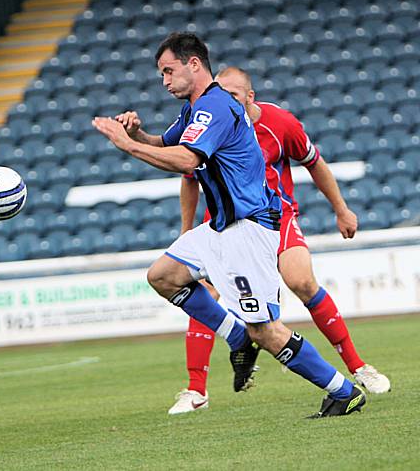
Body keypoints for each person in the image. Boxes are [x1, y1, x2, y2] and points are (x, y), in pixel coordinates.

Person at [92, 32, 366, 418]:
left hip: (247, 229)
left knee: (266, 332)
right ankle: (235, 335)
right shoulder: (195, 109)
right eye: (161, 75)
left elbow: (187, 161)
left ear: (193, 64)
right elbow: (164, 142)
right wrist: (137, 133)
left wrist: (127, 145)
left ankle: (342, 391)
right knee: (163, 276)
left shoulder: (216, 106)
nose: (164, 81)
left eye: (168, 71)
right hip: (220, 227)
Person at [167, 66, 390, 415]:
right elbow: (189, 177)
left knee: (301, 281)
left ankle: (357, 366)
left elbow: (314, 162)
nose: (227, 101)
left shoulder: (279, 122)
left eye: (235, 95)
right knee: (202, 292)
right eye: (221, 94)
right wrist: (186, 230)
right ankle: (196, 389)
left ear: (250, 96)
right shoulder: (207, 119)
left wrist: (341, 209)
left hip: (274, 217)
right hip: (223, 223)